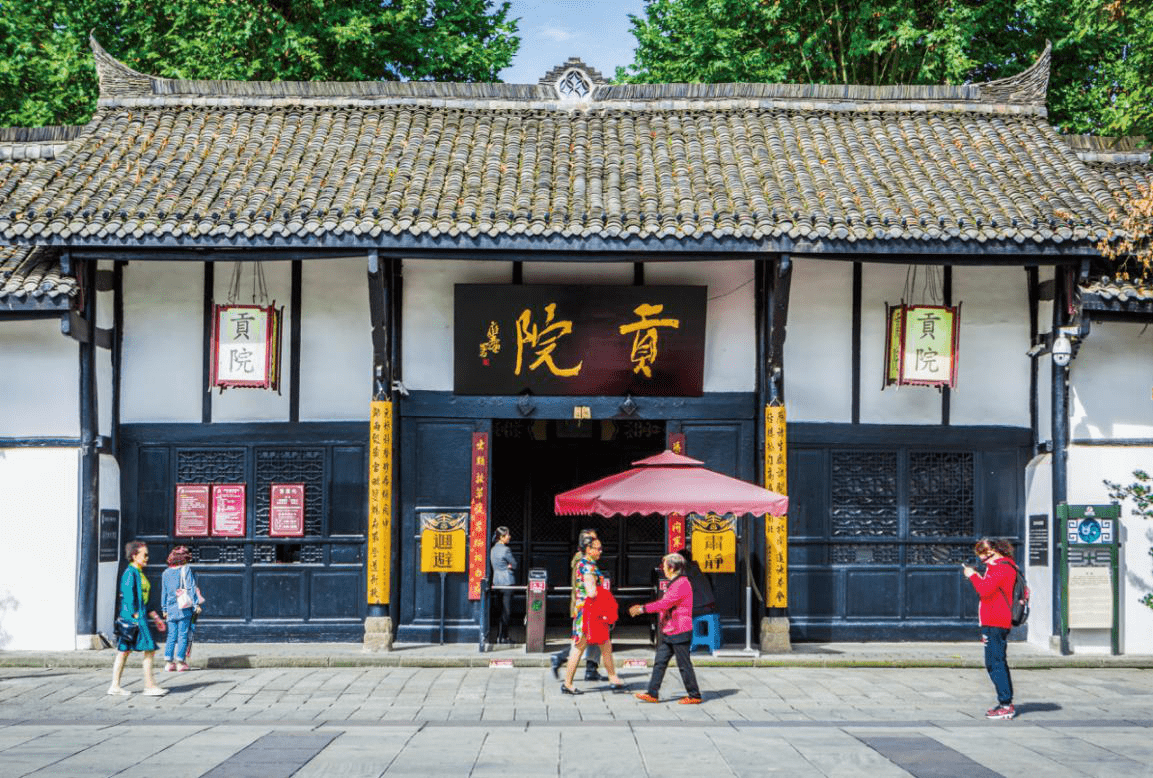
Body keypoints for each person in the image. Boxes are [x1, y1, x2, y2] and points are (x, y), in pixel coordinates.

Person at [629, 552, 702, 704]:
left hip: (680, 629)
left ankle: (694, 695)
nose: (663, 569)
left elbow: (664, 604)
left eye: (664, 566)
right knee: (660, 661)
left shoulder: (681, 584)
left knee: (684, 664)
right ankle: (652, 692)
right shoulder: (676, 582)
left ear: (672, 568)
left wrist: (642, 609)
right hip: (670, 629)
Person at [559, 534, 625, 694]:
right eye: (598, 548)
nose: (601, 551)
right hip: (589, 613)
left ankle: (613, 678)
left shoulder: (585, 563)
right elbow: (592, 592)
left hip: (588, 612)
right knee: (580, 647)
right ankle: (568, 683)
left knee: (604, 645)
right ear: (588, 549)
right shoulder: (588, 567)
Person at [963, 537, 1019, 720]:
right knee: (995, 662)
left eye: (984, 553)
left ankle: (1006, 704)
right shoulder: (1005, 566)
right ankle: (1004, 702)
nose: (982, 558)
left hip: (996, 620)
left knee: (995, 663)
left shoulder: (1002, 568)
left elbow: (985, 590)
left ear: (994, 551)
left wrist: (972, 575)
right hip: (995, 620)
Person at [109, 540, 169, 696]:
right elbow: (128, 597)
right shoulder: (130, 573)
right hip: (134, 619)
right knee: (148, 650)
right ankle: (149, 686)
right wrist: (135, 616)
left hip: (136, 617)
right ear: (134, 555)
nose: (147, 558)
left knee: (124, 651)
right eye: (145, 555)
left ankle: (115, 686)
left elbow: (143, 600)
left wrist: (154, 616)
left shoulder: (139, 573)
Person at [550, 529, 606, 681]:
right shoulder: (584, 562)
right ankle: (561, 659)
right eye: (594, 542)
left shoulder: (586, 561)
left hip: (585, 606)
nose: (598, 547)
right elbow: (589, 590)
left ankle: (590, 669)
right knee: (582, 642)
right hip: (586, 607)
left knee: (591, 640)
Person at [160, 546, 199, 671]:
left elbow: (164, 592)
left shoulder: (165, 573)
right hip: (184, 608)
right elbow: (191, 587)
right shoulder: (185, 569)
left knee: (171, 635)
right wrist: (196, 604)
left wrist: (164, 608)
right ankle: (181, 663)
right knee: (182, 635)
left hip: (170, 609)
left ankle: (168, 662)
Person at [489, 526, 517, 644]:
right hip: (507, 582)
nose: (509, 537)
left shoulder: (493, 549)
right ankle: (504, 637)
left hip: (497, 582)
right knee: (507, 611)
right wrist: (509, 567)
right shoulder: (506, 550)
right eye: (507, 535)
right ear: (501, 537)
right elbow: (514, 564)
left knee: (501, 610)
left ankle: (499, 636)